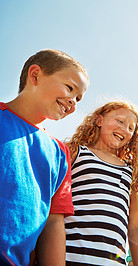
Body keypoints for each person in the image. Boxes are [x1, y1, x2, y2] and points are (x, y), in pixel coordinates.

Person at [0, 49, 89, 265]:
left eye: (78, 98)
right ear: (35, 75)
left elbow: (54, 222)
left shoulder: (60, 153)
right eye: (69, 88)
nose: (73, 102)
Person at [64, 101, 138, 265]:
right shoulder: (76, 152)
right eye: (120, 121)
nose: (125, 129)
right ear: (99, 121)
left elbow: (136, 227)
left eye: (131, 128)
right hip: (70, 255)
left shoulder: (131, 171)